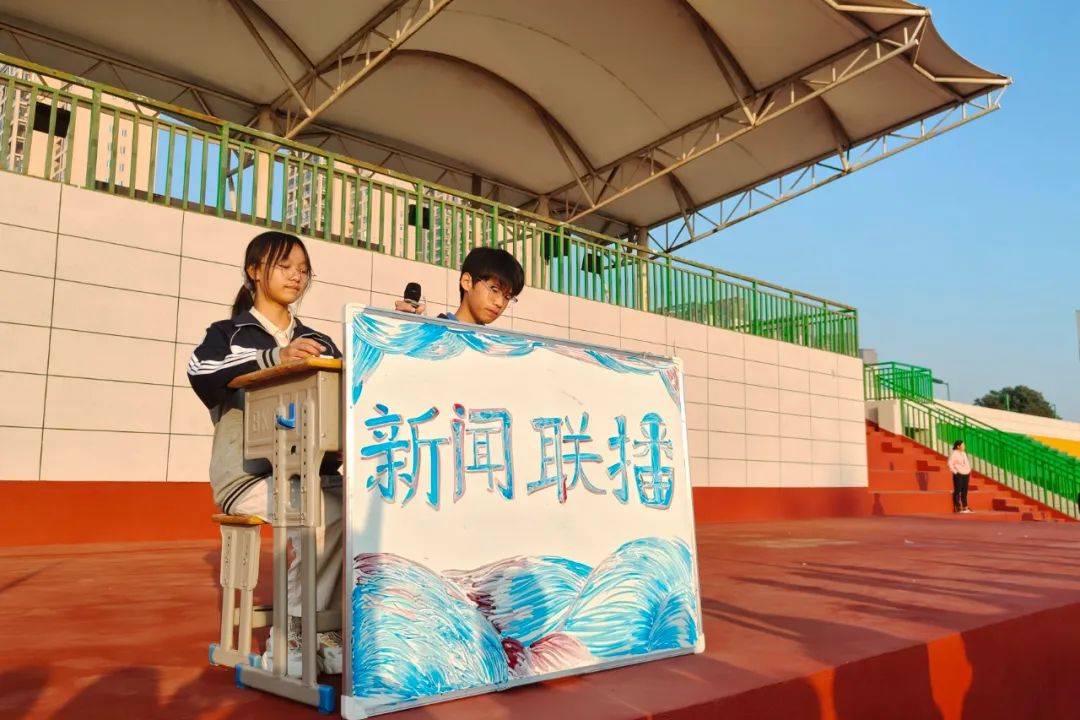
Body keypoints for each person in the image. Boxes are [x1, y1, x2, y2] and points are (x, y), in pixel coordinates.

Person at [187, 231, 343, 674]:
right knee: (320, 516)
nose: (297, 276)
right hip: (247, 477)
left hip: (312, 474)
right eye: (285, 266)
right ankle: (291, 639)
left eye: (303, 270)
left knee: (359, 509)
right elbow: (201, 372)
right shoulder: (228, 334)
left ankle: (324, 630)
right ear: (255, 271)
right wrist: (275, 357)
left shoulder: (318, 340)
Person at [394, 246, 525, 324]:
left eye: (507, 297)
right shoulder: (432, 335)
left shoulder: (495, 349)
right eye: (494, 289)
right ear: (467, 282)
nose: (500, 303)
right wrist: (399, 327)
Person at [948, 439, 973, 513]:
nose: (964, 446)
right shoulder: (954, 454)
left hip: (966, 473)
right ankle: (958, 506)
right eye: (963, 445)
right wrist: (955, 471)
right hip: (958, 473)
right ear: (958, 446)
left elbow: (967, 462)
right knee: (958, 490)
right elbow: (950, 463)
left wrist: (968, 470)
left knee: (965, 490)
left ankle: (965, 506)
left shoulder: (963, 453)